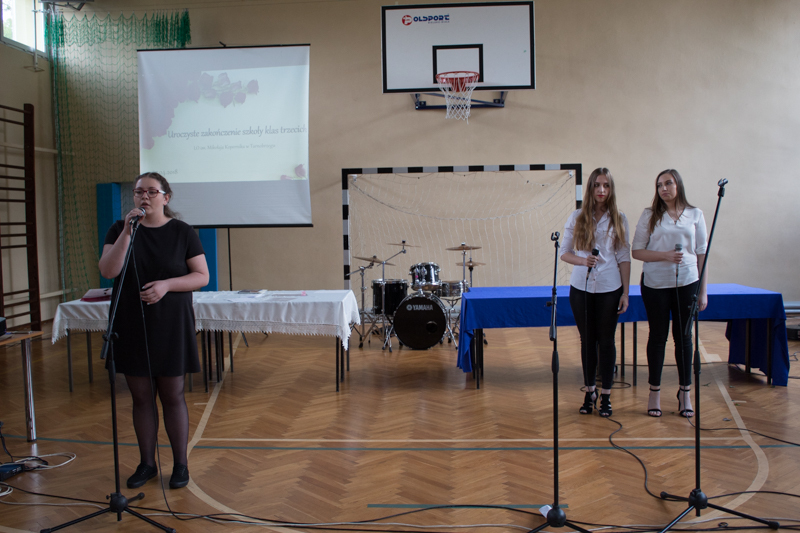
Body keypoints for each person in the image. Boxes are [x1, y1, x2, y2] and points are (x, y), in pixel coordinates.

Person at [98, 172, 209, 489]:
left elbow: (201, 276)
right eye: (138, 192)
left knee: (172, 395)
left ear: (166, 197)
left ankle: (180, 465)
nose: (144, 196)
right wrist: (127, 233)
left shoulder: (182, 232)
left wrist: (167, 285)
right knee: (141, 398)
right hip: (131, 322)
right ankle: (147, 463)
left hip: (171, 323)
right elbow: (108, 270)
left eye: (151, 191)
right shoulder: (120, 229)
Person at [632, 169, 707, 418]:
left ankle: (685, 393)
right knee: (657, 337)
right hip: (655, 285)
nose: (663, 188)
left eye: (668, 183)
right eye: (659, 185)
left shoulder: (695, 214)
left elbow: (701, 254)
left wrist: (703, 291)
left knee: (684, 338)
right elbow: (637, 251)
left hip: (688, 283)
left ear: (678, 185)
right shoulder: (650, 215)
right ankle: (654, 392)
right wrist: (665, 256)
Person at [561, 167, 631, 418]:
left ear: (611, 189)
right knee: (587, 341)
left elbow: (624, 257)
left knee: (607, 341)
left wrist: (625, 293)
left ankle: (607, 396)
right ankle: (589, 392)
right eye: (597, 185)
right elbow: (564, 252)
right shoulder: (577, 217)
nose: (602, 190)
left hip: (610, 288)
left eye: (606, 185)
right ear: (590, 188)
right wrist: (583, 261)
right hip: (581, 288)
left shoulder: (619, 218)